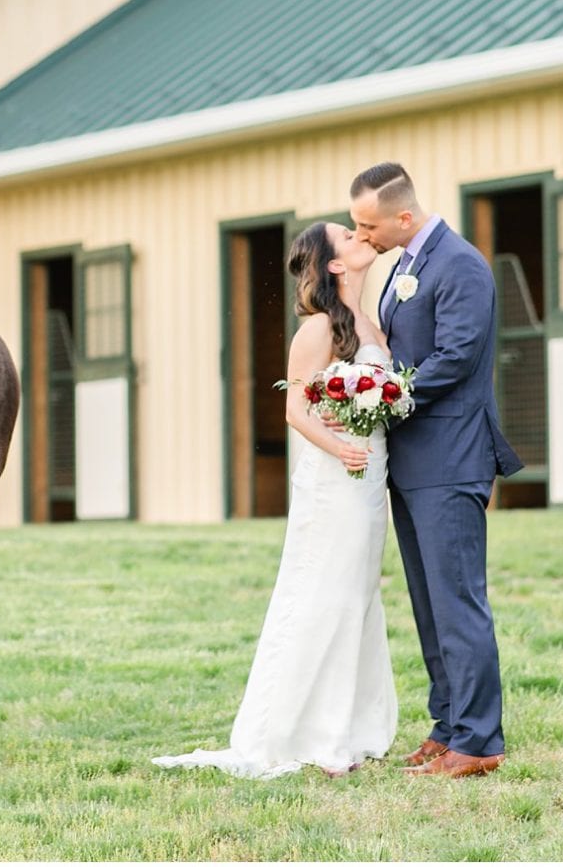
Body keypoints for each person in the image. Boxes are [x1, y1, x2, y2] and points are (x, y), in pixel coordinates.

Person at [153, 221, 396, 779]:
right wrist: (341, 447)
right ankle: (304, 733)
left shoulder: (371, 321)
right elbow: (295, 411)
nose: (361, 236)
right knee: (325, 592)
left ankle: (348, 727)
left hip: (369, 473)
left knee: (358, 593)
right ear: (334, 264)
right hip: (336, 477)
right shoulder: (315, 330)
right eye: (348, 234)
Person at [347, 162, 523, 779]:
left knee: (457, 601)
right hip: (413, 461)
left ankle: (479, 742)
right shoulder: (403, 269)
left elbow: (455, 357)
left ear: (403, 215)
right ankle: (448, 726)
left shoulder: (462, 265)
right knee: (428, 604)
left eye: (368, 225)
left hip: (451, 458)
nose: (362, 236)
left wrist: (384, 395)